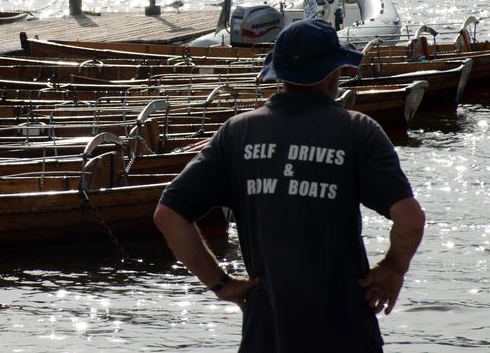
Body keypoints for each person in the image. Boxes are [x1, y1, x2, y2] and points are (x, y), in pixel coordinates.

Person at [154, 19, 425, 352]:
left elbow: (168, 215)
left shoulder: (237, 133)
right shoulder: (358, 132)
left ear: (278, 74)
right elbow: (410, 221)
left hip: (265, 335)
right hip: (346, 334)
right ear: (332, 73)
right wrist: (392, 268)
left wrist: (221, 283)